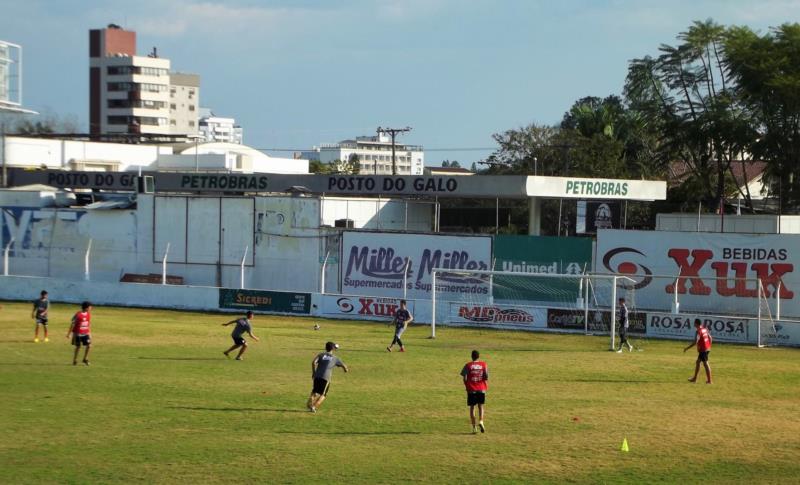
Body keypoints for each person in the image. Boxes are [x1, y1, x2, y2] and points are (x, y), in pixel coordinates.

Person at [307, 341, 348, 413]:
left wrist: (314, 372)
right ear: (333, 349)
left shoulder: (321, 355)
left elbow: (313, 362)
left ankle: (310, 402)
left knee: (315, 391)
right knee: (323, 394)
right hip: (326, 378)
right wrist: (345, 370)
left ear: (325, 348)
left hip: (317, 376)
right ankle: (313, 407)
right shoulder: (335, 358)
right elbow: (344, 366)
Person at [461, 350, 489, 434]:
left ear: (471, 356)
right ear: (478, 356)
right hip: (481, 388)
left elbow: (464, 378)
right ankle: (481, 421)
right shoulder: (484, 364)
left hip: (471, 389)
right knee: (481, 406)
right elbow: (486, 377)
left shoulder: (468, 365)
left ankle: (474, 427)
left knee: (472, 407)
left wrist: (467, 386)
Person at [684, 318, 713, 384]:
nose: (693, 324)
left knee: (705, 364)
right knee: (698, 362)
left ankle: (709, 381)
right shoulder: (704, 329)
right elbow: (710, 338)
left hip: (703, 350)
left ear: (696, 323)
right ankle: (695, 379)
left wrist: (687, 348)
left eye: (694, 323)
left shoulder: (698, 331)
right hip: (707, 348)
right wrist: (709, 346)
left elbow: (695, 342)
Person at [67, 301, 92, 366]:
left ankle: (85, 359)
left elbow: (88, 324)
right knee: (78, 347)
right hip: (78, 334)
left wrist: (89, 333)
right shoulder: (78, 314)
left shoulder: (88, 314)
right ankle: (75, 360)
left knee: (89, 346)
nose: (91, 308)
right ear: (86, 308)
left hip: (85, 333)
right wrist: (69, 334)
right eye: (90, 307)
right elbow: (72, 324)